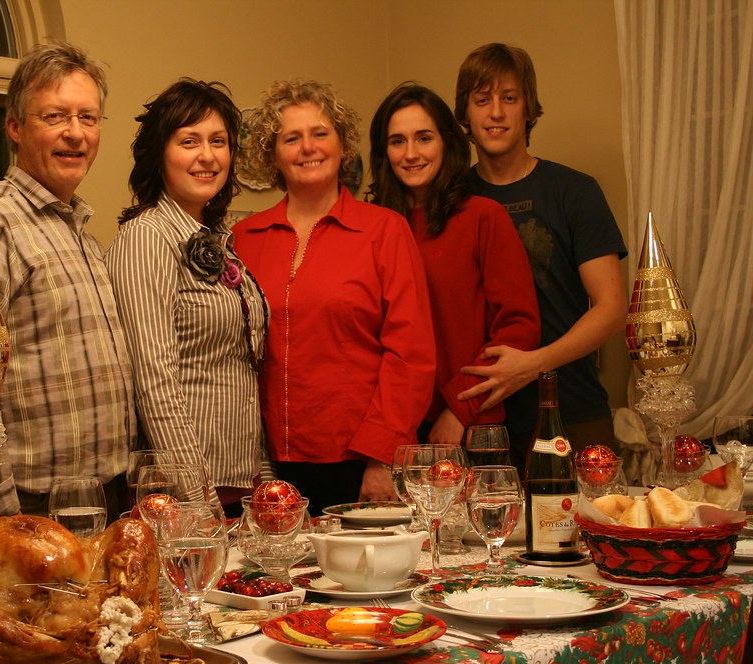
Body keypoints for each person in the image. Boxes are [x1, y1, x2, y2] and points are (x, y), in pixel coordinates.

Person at [232, 79, 435, 516]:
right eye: (291, 138)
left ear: (343, 145)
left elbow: (411, 354)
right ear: (273, 156)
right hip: (263, 466)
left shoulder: (384, 231)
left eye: (320, 133)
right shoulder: (242, 239)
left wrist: (382, 455)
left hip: (359, 462)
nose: (308, 147)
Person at [0, 42, 137, 523]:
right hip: (31, 507)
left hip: (106, 496)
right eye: (55, 116)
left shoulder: (78, 229)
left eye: (89, 117)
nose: (75, 133)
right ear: (16, 129)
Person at [453, 43, 628, 469]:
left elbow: (611, 307)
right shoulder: (450, 201)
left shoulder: (576, 192)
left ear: (529, 109)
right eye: (482, 100)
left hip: (573, 408)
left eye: (509, 99)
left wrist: (533, 365)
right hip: (475, 418)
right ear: (465, 116)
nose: (496, 112)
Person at [107, 79, 267, 519]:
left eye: (219, 141)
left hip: (238, 478)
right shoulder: (147, 238)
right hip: (182, 493)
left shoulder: (218, 240)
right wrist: (197, 501)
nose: (207, 156)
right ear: (160, 153)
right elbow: (154, 380)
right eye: (189, 141)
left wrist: (264, 478)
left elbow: (243, 367)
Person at [367, 82, 541, 447]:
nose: (411, 153)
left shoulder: (483, 218)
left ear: (447, 141)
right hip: (389, 428)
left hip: (469, 427)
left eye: (424, 138)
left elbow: (518, 328)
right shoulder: (372, 227)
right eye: (397, 141)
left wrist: (460, 408)